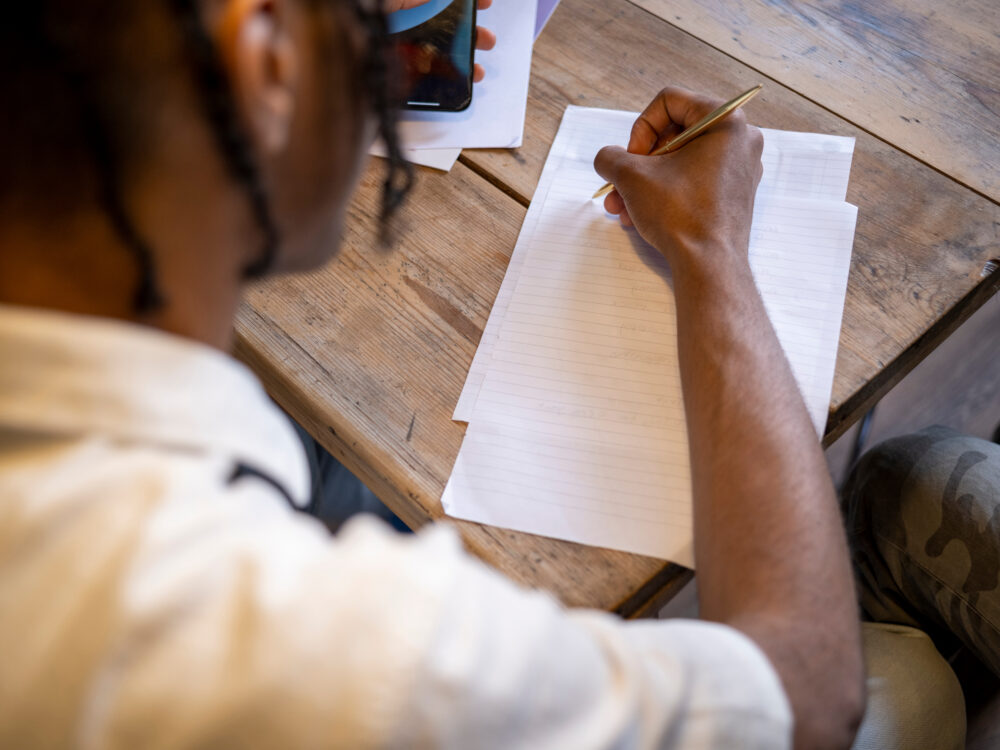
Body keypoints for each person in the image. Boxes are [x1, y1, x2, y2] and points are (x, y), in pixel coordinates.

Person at [0, 0, 990, 748]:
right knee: (911, 677)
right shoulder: (285, 635)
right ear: (266, 63)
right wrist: (711, 250)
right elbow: (803, 691)